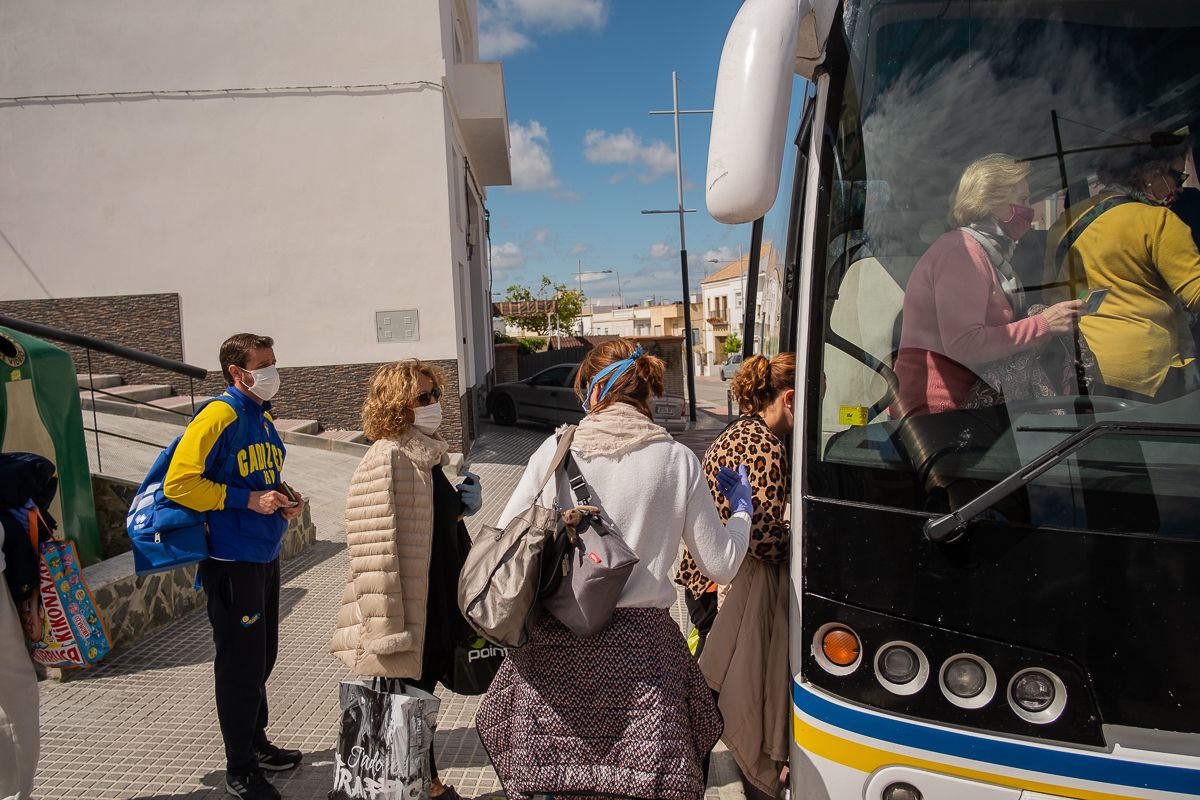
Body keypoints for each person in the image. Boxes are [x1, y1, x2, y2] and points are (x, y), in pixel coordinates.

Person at [475, 338, 754, 800]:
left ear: (590, 392)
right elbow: (721, 565)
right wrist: (741, 511)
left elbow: (506, 542)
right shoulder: (677, 461)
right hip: (643, 657)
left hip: (553, 652)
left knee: (553, 783)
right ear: (649, 393)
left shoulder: (553, 453)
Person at [330, 360, 481, 800]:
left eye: (435, 394)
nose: (433, 403)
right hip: (405, 613)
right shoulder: (387, 457)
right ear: (397, 404)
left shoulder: (425, 455)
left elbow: (425, 527)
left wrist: (459, 508)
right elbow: (372, 550)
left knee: (412, 709)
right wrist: (385, 631)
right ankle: (423, 788)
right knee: (402, 709)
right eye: (422, 397)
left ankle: (424, 784)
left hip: (433, 600)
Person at [163, 333, 305, 800]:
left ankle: (256, 743)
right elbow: (180, 483)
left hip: (263, 554)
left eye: (273, 362)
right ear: (236, 373)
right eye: (262, 365)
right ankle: (240, 768)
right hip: (231, 560)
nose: (271, 372)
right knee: (240, 665)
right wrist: (248, 499)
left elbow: (258, 474)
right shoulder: (219, 414)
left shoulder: (260, 416)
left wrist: (283, 497)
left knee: (261, 659)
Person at [677, 353, 795, 800]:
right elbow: (762, 531)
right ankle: (688, 781)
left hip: (704, 578)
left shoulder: (741, 430)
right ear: (787, 398)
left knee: (708, 689)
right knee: (713, 691)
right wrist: (799, 553)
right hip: (720, 586)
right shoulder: (763, 443)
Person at [893, 154, 1084, 417]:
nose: (1029, 211)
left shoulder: (985, 252)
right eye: (1023, 200)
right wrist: (1044, 324)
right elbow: (964, 343)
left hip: (968, 404)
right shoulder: (961, 253)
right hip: (943, 413)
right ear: (992, 202)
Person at [1049, 139, 1200, 401]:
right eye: (1176, 175)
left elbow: (1053, 294)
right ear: (1151, 175)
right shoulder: (1157, 220)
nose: (1179, 185)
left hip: (1083, 365)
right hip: (1148, 370)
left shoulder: (1065, 221)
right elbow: (1196, 293)